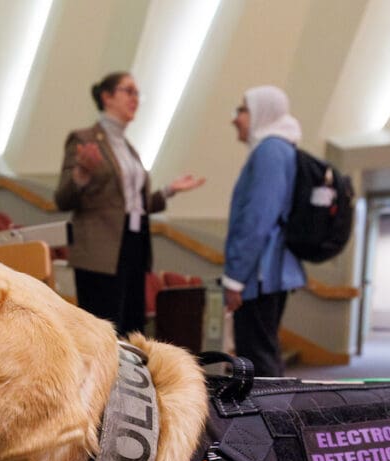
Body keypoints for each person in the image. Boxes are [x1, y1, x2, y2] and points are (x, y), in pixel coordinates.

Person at [54, 71, 204, 336]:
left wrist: (169, 191)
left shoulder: (128, 147)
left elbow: (134, 204)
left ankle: (128, 378)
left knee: (131, 326)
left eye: (138, 93)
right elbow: (62, 199)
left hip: (134, 245)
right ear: (107, 96)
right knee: (105, 328)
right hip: (101, 249)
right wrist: (82, 174)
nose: (135, 98)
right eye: (129, 91)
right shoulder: (84, 139)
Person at [222, 85, 306, 377]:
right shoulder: (280, 149)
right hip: (268, 271)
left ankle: (273, 419)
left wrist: (234, 279)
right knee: (261, 352)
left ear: (262, 113)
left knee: (258, 359)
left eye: (242, 110)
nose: (236, 119)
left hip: (259, 273)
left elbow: (257, 220)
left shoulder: (270, 150)